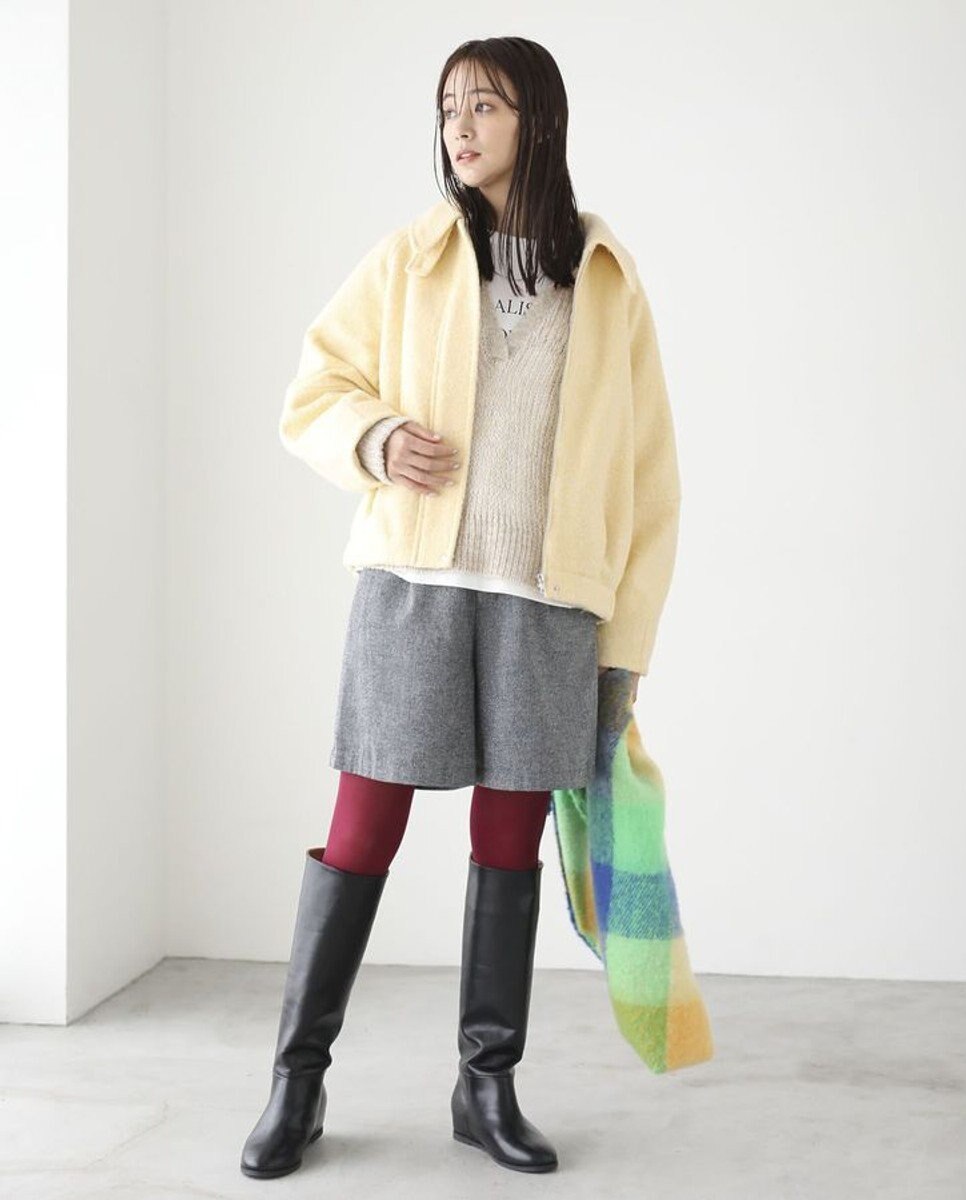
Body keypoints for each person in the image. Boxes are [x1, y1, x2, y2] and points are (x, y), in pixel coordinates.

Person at [240, 35, 681, 1180]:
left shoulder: (605, 281)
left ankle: (485, 1086)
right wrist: (376, 438)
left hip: (548, 607)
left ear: (538, 119)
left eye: (484, 105)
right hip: (413, 590)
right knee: (361, 829)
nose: (460, 127)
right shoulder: (411, 257)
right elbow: (315, 388)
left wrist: (625, 647)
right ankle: (296, 1082)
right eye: (447, 108)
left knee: (507, 844)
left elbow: (649, 479)